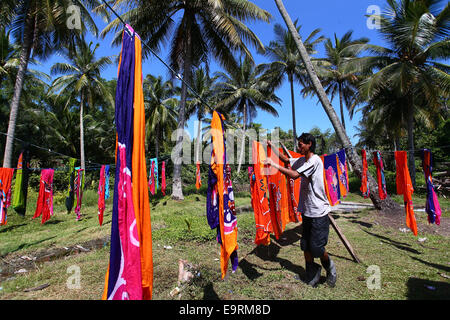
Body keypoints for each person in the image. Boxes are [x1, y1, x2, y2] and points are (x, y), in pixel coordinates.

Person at [264, 133, 337, 287]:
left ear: (309, 144)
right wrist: (271, 146)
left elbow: (294, 175)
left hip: (318, 212)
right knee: (305, 246)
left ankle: (330, 267)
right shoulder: (303, 160)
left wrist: (273, 165)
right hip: (307, 211)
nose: (299, 147)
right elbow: (286, 160)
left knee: (317, 247)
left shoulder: (314, 161)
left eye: (301, 144)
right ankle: (311, 274)